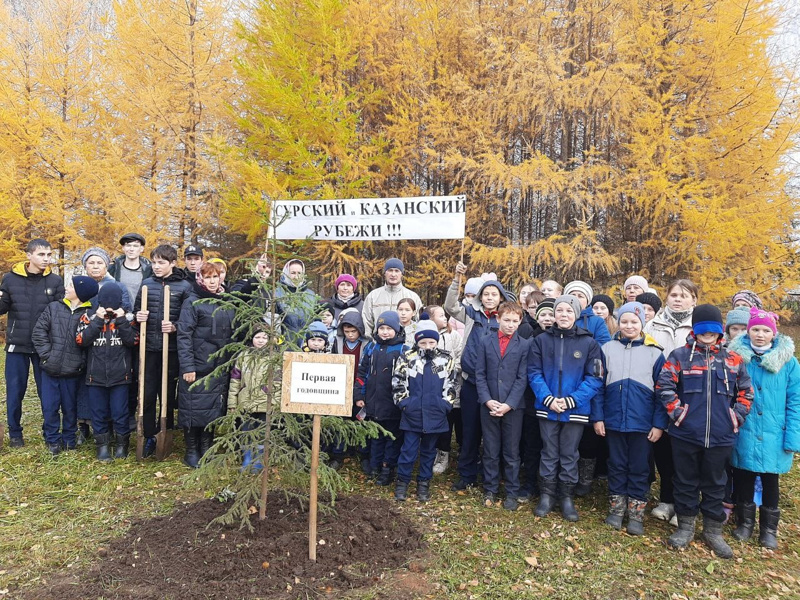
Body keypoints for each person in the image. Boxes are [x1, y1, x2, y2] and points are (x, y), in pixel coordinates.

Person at [657, 304, 753, 559]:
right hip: (686, 433)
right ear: (695, 331)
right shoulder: (679, 356)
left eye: (712, 331)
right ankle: (686, 526)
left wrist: (736, 417)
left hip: (721, 435)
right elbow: (664, 386)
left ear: (719, 332)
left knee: (715, 483)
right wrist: (679, 414)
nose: (707, 335)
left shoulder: (733, 360)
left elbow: (746, 393)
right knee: (685, 480)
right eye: (702, 330)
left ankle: (713, 530)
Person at [592, 302, 667, 535]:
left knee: (639, 467)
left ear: (642, 324)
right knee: (616, 464)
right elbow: (598, 386)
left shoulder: (656, 352)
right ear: (618, 323)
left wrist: (658, 424)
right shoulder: (607, 349)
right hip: (613, 420)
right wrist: (598, 417)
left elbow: (662, 393)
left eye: (634, 322)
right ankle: (616, 509)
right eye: (624, 321)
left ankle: (636, 513)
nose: (629, 326)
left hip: (642, 424)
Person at [728, 308, 800, 549]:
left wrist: (792, 437)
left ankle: (769, 529)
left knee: (770, 480)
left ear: (774, 333)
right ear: (748, 331)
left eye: (766, 330)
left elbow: (795, 400)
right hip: (745, 427)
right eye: (756, 329)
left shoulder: (788, 363)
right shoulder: (736, 357)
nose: (760, 334)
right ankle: (744, 523)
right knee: (744, 476)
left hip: (774, 431)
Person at [528, 295, 604, 522]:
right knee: (549, 452)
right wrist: (548, 399)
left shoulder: (589, 343)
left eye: (568, 311)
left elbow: (595, 377)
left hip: (576, 409)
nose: (563, 315)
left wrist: (571, 401)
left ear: (576, 315)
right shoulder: (541, 340)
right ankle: (547, 494)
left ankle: (566, 496)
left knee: (570, 453)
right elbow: (534, 373)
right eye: (559, 310)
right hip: (547, 406)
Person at [445, 264, 510, 491]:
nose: (490, 297)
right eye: (486, 294)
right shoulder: (471, 313)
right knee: (470, 430)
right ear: (480, 296)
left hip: (496, 385)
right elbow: (450, 306)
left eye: (494, 294)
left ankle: (492, 476)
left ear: (501, 297)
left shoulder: (506, 318)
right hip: (471, 381)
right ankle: (466, 474)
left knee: (493, 433)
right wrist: (457, 278)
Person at [644, 279, 699, 525]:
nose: (678, 299)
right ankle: (666, 499)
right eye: (674, 294)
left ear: (694, 300)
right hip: (658, 393)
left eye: (684, 295)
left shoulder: (699, 326)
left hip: (690, 395)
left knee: (687, 453)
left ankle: (685, 504)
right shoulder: (652, 325)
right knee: (663, 449)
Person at [0, 238, 65, 447]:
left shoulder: (55, 281)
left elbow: (59, 314)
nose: (46, 259)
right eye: (41, 255)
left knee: (46, 392)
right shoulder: (10, 279)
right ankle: (15, 434)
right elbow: (2, 307)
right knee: (15, 390)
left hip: (44, 347)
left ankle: (50, 433)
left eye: (48, 255)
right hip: (16, 346)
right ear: (29, 255)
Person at [134, 244, 194, 457]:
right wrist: (137, 317)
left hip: (172, 349)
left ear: (172, 264)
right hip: (149, 347)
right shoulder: (146, 284)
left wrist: (175, 326)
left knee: (167, 392)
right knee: (148, 393)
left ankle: (165, 430)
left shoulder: (185, 287)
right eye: (154, 262)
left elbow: (189, 319)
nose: (156, 266)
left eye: (161, 262)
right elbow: (135, 311)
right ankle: (149, 434)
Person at [31, 276, 99, 454]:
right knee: (50, 406)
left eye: (71, 285)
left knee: (70, 407)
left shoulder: (89, 314)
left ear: (80, 292)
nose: (66, 288)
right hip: (50, 369)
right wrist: (47, 356)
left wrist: (80, 363)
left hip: (73, 371)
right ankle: (52, 439)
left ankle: (69, 439)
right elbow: (39, 332)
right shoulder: (54, 308)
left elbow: (89, 342)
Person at [177, 263, 235, 468]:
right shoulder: (192, 302)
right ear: (200, 279)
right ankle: (191, 450)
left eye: (215, 277)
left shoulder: (228, 301)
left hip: (219, 366)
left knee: (211, 409)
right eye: (208, 277)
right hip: (197, 366)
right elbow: (183, 335)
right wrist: (187, 367)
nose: (212, 281)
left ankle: (206, 447)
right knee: (193, 407)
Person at [392, 320, 456, 502]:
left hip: (436, 414)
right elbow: (398, 381)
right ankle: (402, 483)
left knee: (429, 451)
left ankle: (424, 484)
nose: (427, 346)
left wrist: (445, 404)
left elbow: (451, 384)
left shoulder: (446, 359)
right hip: (412, 414)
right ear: (417, 342)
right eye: (423, 342)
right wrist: (405, 403)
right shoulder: (408, 357)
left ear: (437, 342)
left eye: (431, 342)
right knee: (408, 450)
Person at [475, 302, 530, 511]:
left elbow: (521, 378)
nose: (510, 325)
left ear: (520, 322)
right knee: (490, 448)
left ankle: (512, 491)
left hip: (512, 407)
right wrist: (487, 400)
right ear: (498, 319)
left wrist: (509, 404)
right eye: (506, 320)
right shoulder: (485, 341)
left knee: (511, 451)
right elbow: (479, 373)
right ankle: (490, 488)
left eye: (515, 321)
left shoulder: (524, 345)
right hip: (488, 404)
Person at [76, 283, 139, 462]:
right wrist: (97, 320)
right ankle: (102, 446)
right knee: (98, 413)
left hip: (121, 376)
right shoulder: (88, 317)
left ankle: (121, 445)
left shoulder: (128, 318)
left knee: (120, 412)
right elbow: (81, 340)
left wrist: (121, 321)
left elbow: (133, 340)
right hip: (95, 376)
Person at [564, 281, 610, 497]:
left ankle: (585, 478)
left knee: (589, 435)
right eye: (572, 294)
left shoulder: (596, 322)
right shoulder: (561, 319)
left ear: (588, 300)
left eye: (581, 295)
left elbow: (603, 348)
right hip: (565, 383)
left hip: (588, 381)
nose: (577, 298)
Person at [358, 311, 407, 484]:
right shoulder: (371, 348)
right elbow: (362, 373)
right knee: (375, 437)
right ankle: (374, 467)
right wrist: (360, 395)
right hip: (373, 402)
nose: (385, 332)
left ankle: (388, 469)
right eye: (382, 328)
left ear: (397, 329)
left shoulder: (403, 349)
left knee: (392, 438)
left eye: (389, 328)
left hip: (393, 404)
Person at [517, 298, 555, 500]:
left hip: (556, 401)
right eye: (543, 315)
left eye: (551, 314)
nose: (547, 319)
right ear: (536, 317)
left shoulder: (562, 339)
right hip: (532, 400)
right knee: (532, 444)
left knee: (551, 446)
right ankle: (530, 482)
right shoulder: (530, 339)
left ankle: (549, 486)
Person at [227, 329, 273, 470]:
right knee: (246, 431)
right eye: (257, 337)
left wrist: (274, 404)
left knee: (261, 432)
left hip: (264, 403)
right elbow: (235, 381)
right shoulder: (243, 356)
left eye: (265, 337)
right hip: (245, 402)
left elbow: (278, 383)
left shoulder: (274, 358)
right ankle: (247, 458)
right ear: (251, 338)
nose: (260, 340)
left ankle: (258, 460)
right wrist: (232, 403)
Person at [427, 304, 463, 475]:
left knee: (450, 422)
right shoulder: (425, 337)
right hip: (432, 389)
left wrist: (448, 369)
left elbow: (460, 357)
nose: (446, 318)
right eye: (441, 315)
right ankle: (435, 452)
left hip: (452, 388)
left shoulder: (453, 336)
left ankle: (445, 454)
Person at [361, 258, 422, 336]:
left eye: (397, 271)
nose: (393, 274)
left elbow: (419, 322)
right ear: (385, 273)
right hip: (379, 344)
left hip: (405, 345)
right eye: (390, 270)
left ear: (402, 274)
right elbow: (367, 322)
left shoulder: (413, 297)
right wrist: (370, 341)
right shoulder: (373, 296)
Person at [274, 259, 318, 343]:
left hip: (306, 345)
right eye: (293, 273)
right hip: (284, 344)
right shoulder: (277, 294)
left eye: (299, 273)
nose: (296, 277)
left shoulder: (311, 296)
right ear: (286, 273)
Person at [108, 233, 152, 302]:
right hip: (118, 311)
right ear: (123, 248)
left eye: (135, 246)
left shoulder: (150, 270)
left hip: (141, 311)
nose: (131, 249)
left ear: (141, 248)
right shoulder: (113, 269)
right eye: (128, 245)